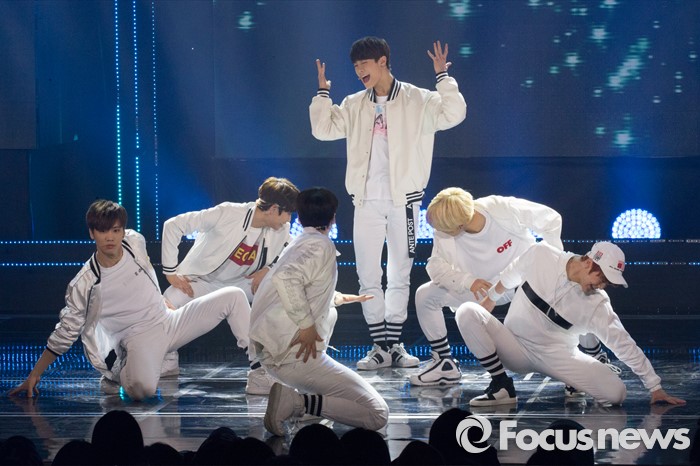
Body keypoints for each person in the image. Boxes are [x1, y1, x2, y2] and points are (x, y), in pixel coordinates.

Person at [310, 36, 467, 370]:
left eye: (363, 64)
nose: (358, 71)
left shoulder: (417, 99)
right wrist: (323, 94)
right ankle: (379, 346)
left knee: (399, 274)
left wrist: (443, 77)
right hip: (366, 201)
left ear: (382, 61)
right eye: (355, 66)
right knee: (368, 274)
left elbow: (455, 113)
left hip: (404, 204)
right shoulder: (354, 104)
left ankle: (394, 345)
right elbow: (322, 130)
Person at [9, 200, 252, 401]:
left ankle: (260, 367)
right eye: (103, 231)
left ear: (123, 231)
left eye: (116, 230)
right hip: (138, 339)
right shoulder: (85, 283)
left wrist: (157, 298)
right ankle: (117, 375)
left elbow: (143, 277)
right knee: (143, 391)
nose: (110, 237)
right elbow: (66, 331)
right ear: (92, 233)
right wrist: (35, 374)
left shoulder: (135, 242)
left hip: (169, 321)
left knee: (234, 296)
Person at [454, 241, 687, 407]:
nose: (602, 286)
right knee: (467, 311)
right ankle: (502, 385)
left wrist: (654, 387)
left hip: (558, 356)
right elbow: (510, 275)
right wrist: (491, 298)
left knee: (616, 394)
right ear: (589, 263)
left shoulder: (598, 303)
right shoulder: (541, 255)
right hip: (514, 346)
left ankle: (574, 382)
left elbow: (623, 344)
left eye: (607, 283)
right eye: (602, 278)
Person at [249, 187, 389, 435]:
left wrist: (338, 298)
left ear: (299, 218)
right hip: (294, 356)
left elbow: (304, 287)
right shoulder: (319, 245)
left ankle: (307, 407)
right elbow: (286, 278)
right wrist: (306, 325)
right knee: (377, 413)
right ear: (333, 217)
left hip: (283, 354)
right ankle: (296, 403)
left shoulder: (301, 243)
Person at [410, 187, 564, 387]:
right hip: (482, 291)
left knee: (571, 292)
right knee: (425, 295)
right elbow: (435, 267)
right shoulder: (445, 232)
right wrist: (468, 281)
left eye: (442, 228)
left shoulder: (501, 208)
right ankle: (444, 363)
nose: (438, 231)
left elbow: (551, 220)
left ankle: (582, 360)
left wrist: (549, 266)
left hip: (524, 285)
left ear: (459, 225)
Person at [160, 176, 299, 394]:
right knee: (170, 299)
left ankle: (263, 369)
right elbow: (173, 225)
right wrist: (170, 272)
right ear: (273, 209)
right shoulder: (227, 213)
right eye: (288, 212)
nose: (289, 219)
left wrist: (269, 268)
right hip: (202, 282)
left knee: (277, 291)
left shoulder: (281, 229)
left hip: (243, 284)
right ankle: (167, 357)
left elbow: (295, 250)